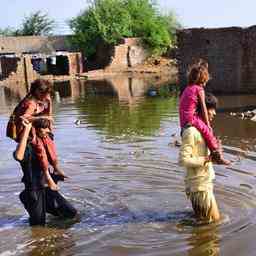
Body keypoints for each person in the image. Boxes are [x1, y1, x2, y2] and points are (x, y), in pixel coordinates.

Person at [13, 118, 77, 226]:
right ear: (36, 130)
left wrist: (49, 104)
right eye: (45, 128)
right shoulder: (28, 147)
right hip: (34, 190)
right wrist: (26, 130)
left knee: (71, 213)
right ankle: (28, 201)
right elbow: (18, 156)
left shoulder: (46, 140)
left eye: (49, 128)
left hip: (47, 187)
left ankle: (33, 204)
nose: (48, 130)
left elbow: (48, 119)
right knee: (38, 225)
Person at [9, 79, 64, 190]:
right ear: (37, 91)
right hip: (24, 131)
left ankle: (55, 167)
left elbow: (49, 117)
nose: (46, 96)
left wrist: (49, 104)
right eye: (44, 93)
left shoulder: (40, 100)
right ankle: (47, 177)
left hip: (33, 128)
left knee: (49, 142)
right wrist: (41, 118)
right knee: (40, 148)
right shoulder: (31, 102)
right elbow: (24, 117)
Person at [179, 93, 222, 223]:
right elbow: (183, 160)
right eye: (211, 109)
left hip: (203, 184)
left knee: (205, 223)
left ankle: (195, 240)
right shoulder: (191, 132)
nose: (214, 113)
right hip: (199, 188)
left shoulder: (203, 131)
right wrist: (206, 159)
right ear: (200, 110)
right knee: (214, 223)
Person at [179, 61, 230, 165]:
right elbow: (203, 108)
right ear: (203, 80)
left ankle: (215, 150)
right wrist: (208, 125)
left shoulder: (187, 88)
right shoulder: (199, 89)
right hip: (190, 118)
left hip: (183, 120)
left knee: (206, 132)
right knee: (207, 132)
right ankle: (217, 155)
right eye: (205, 81)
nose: (205, 84)